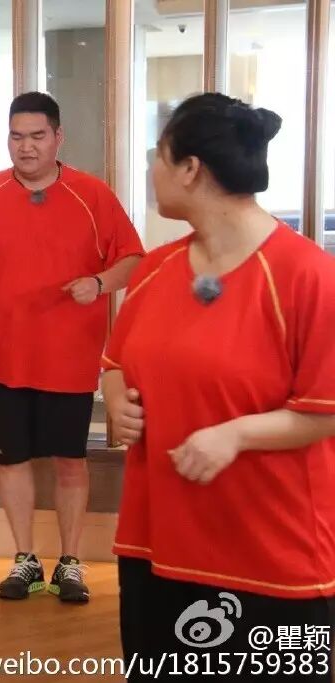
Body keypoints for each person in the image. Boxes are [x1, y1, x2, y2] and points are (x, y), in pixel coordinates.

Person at [103, 93, 335, 681]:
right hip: (156, 547)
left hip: (272, 559)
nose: (152, 171)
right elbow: (115, 363)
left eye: (158, 157)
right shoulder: (155, 269)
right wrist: (115, 399)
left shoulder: (307, 275)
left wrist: (236, 435)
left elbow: (326, 410)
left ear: (190, 168)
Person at [0, 92, 144, 603]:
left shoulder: (91, 194)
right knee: (13, 458)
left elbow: (133, 258)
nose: (25, 147)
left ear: (58, 137)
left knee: (70, 459)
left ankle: (70, 562)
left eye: (36, 136)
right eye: (16, 136)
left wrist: (98, 282)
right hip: (2, 355)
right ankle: (24, 559)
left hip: (68, 355)